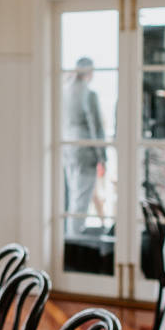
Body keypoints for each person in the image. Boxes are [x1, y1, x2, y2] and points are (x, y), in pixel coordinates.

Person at [62, 57, 106, 232]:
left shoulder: (65, 91)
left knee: (73, 196)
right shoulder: (89, 94)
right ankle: (74, 240)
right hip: (85, 151)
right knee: (81, 200)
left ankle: (70, 237)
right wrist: (102, 157)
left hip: (68, 149)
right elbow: (96, 127)